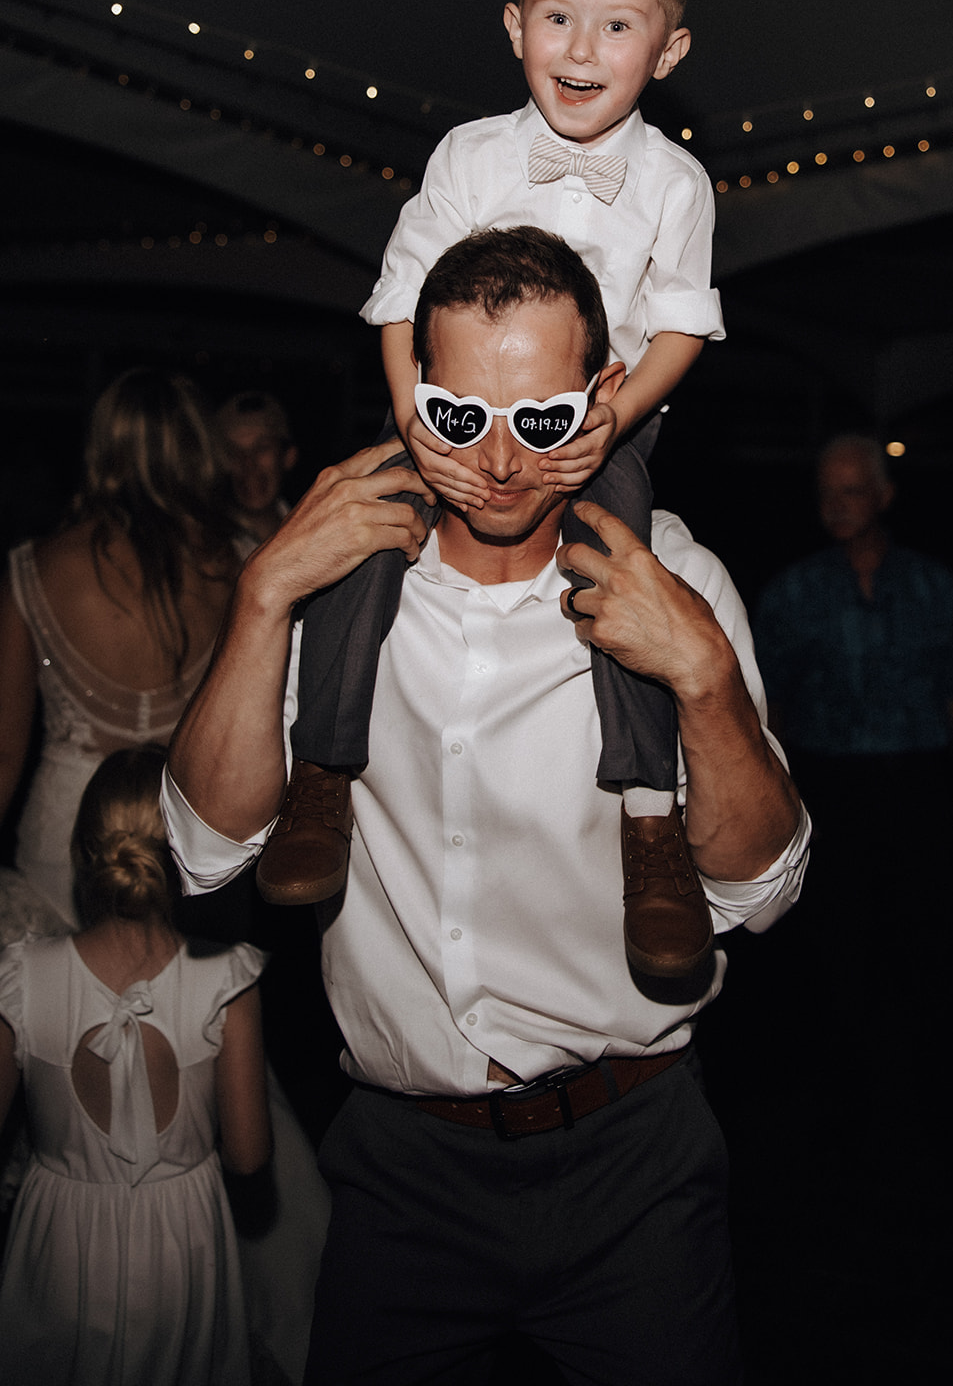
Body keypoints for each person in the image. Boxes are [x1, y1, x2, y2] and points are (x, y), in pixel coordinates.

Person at [164, 227, 809, 1385]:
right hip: (401, 1172)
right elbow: (208, 850)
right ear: (414, 396)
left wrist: (704, 677)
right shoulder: (335, 583)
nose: (503, 463)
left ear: (601, 395)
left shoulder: (675, 576)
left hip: (633, 1159)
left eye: (542, 419)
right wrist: (263, 594)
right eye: (463, 417)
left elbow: (757, 891)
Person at [265, 0, 725, 984]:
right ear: (515, 27)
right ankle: (322, 769)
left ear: (667, 51)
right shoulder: (469, 154)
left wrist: (610, 414)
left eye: (618, 25)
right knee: (358, 528)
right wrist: (419, 421)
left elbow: (681, 324)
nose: (582, 47)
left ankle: (650, 822)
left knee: (624, 570)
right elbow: (393, 301)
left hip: (587, 423)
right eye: (558, 17)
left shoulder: (675, 183)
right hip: (451, 404)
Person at [0, 745, 271, 1386]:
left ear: (82, 850)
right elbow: (251, 1156)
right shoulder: (226, 980)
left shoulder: (22, 978)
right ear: (182, 858)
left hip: (56, 1246)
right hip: (184, 1248)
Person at [753, 434, 953, 1124]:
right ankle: (845, 1097)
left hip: (915, 781)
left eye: (851, 490)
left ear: (884, 497)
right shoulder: (792, 591)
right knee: (837, 944)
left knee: (932, 941)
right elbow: (763, 708)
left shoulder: (930, 584)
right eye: (824, 493)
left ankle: (943, 1097)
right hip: (828, 787)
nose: (835, 506)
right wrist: (784, 800)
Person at [0, 367, 241, 934]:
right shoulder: (242, 568)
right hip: (191, 844)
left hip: (64, 848)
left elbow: (5, 755)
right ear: (199, 450)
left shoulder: (35, 567)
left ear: (102, 448)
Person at [216, 389, 299, 546]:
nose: (248, 463)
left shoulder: (313, 534)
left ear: (288, 456)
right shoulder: (204, 551)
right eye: (234, 452)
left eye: (261, 448)